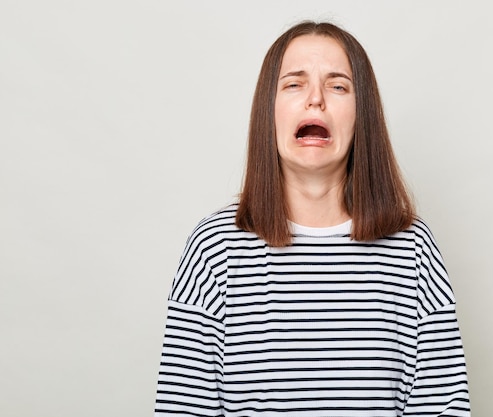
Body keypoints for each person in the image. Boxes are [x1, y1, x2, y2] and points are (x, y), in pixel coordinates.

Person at [154, 21, 471, 417]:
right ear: (268, 110)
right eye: (294, 84)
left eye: (338, 86)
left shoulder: (413, 249)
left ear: (363, 115)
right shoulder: (214, 250)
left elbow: (443, 409)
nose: (316, 100)